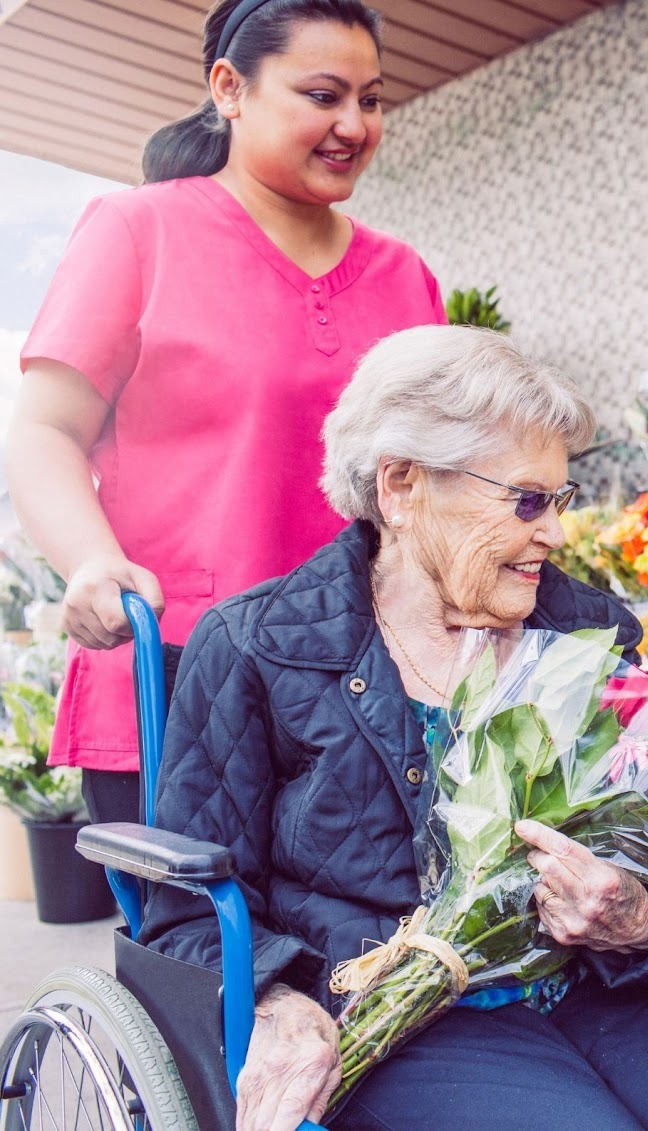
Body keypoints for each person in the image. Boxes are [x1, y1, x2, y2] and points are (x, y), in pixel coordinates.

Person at [140, 326, 648, 1131]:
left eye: (560, 501)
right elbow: (182, 915)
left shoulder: (588, 632)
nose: (556, 534)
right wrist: (277, 999)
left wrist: (640, 915)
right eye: (527, 500)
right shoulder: (260, 646)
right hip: (405, 1015)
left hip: (600, 986)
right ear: (400, 486)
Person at [6, 0, 444, 825]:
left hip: (370, 685)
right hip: (178, 671)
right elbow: (43, 430)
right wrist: (90, 563)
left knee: (368, 950)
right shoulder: (140, 231)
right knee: (202, 949)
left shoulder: (405, 275)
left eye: (371, 99)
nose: (354, 123)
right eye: (323, 95)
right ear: (229, 89)